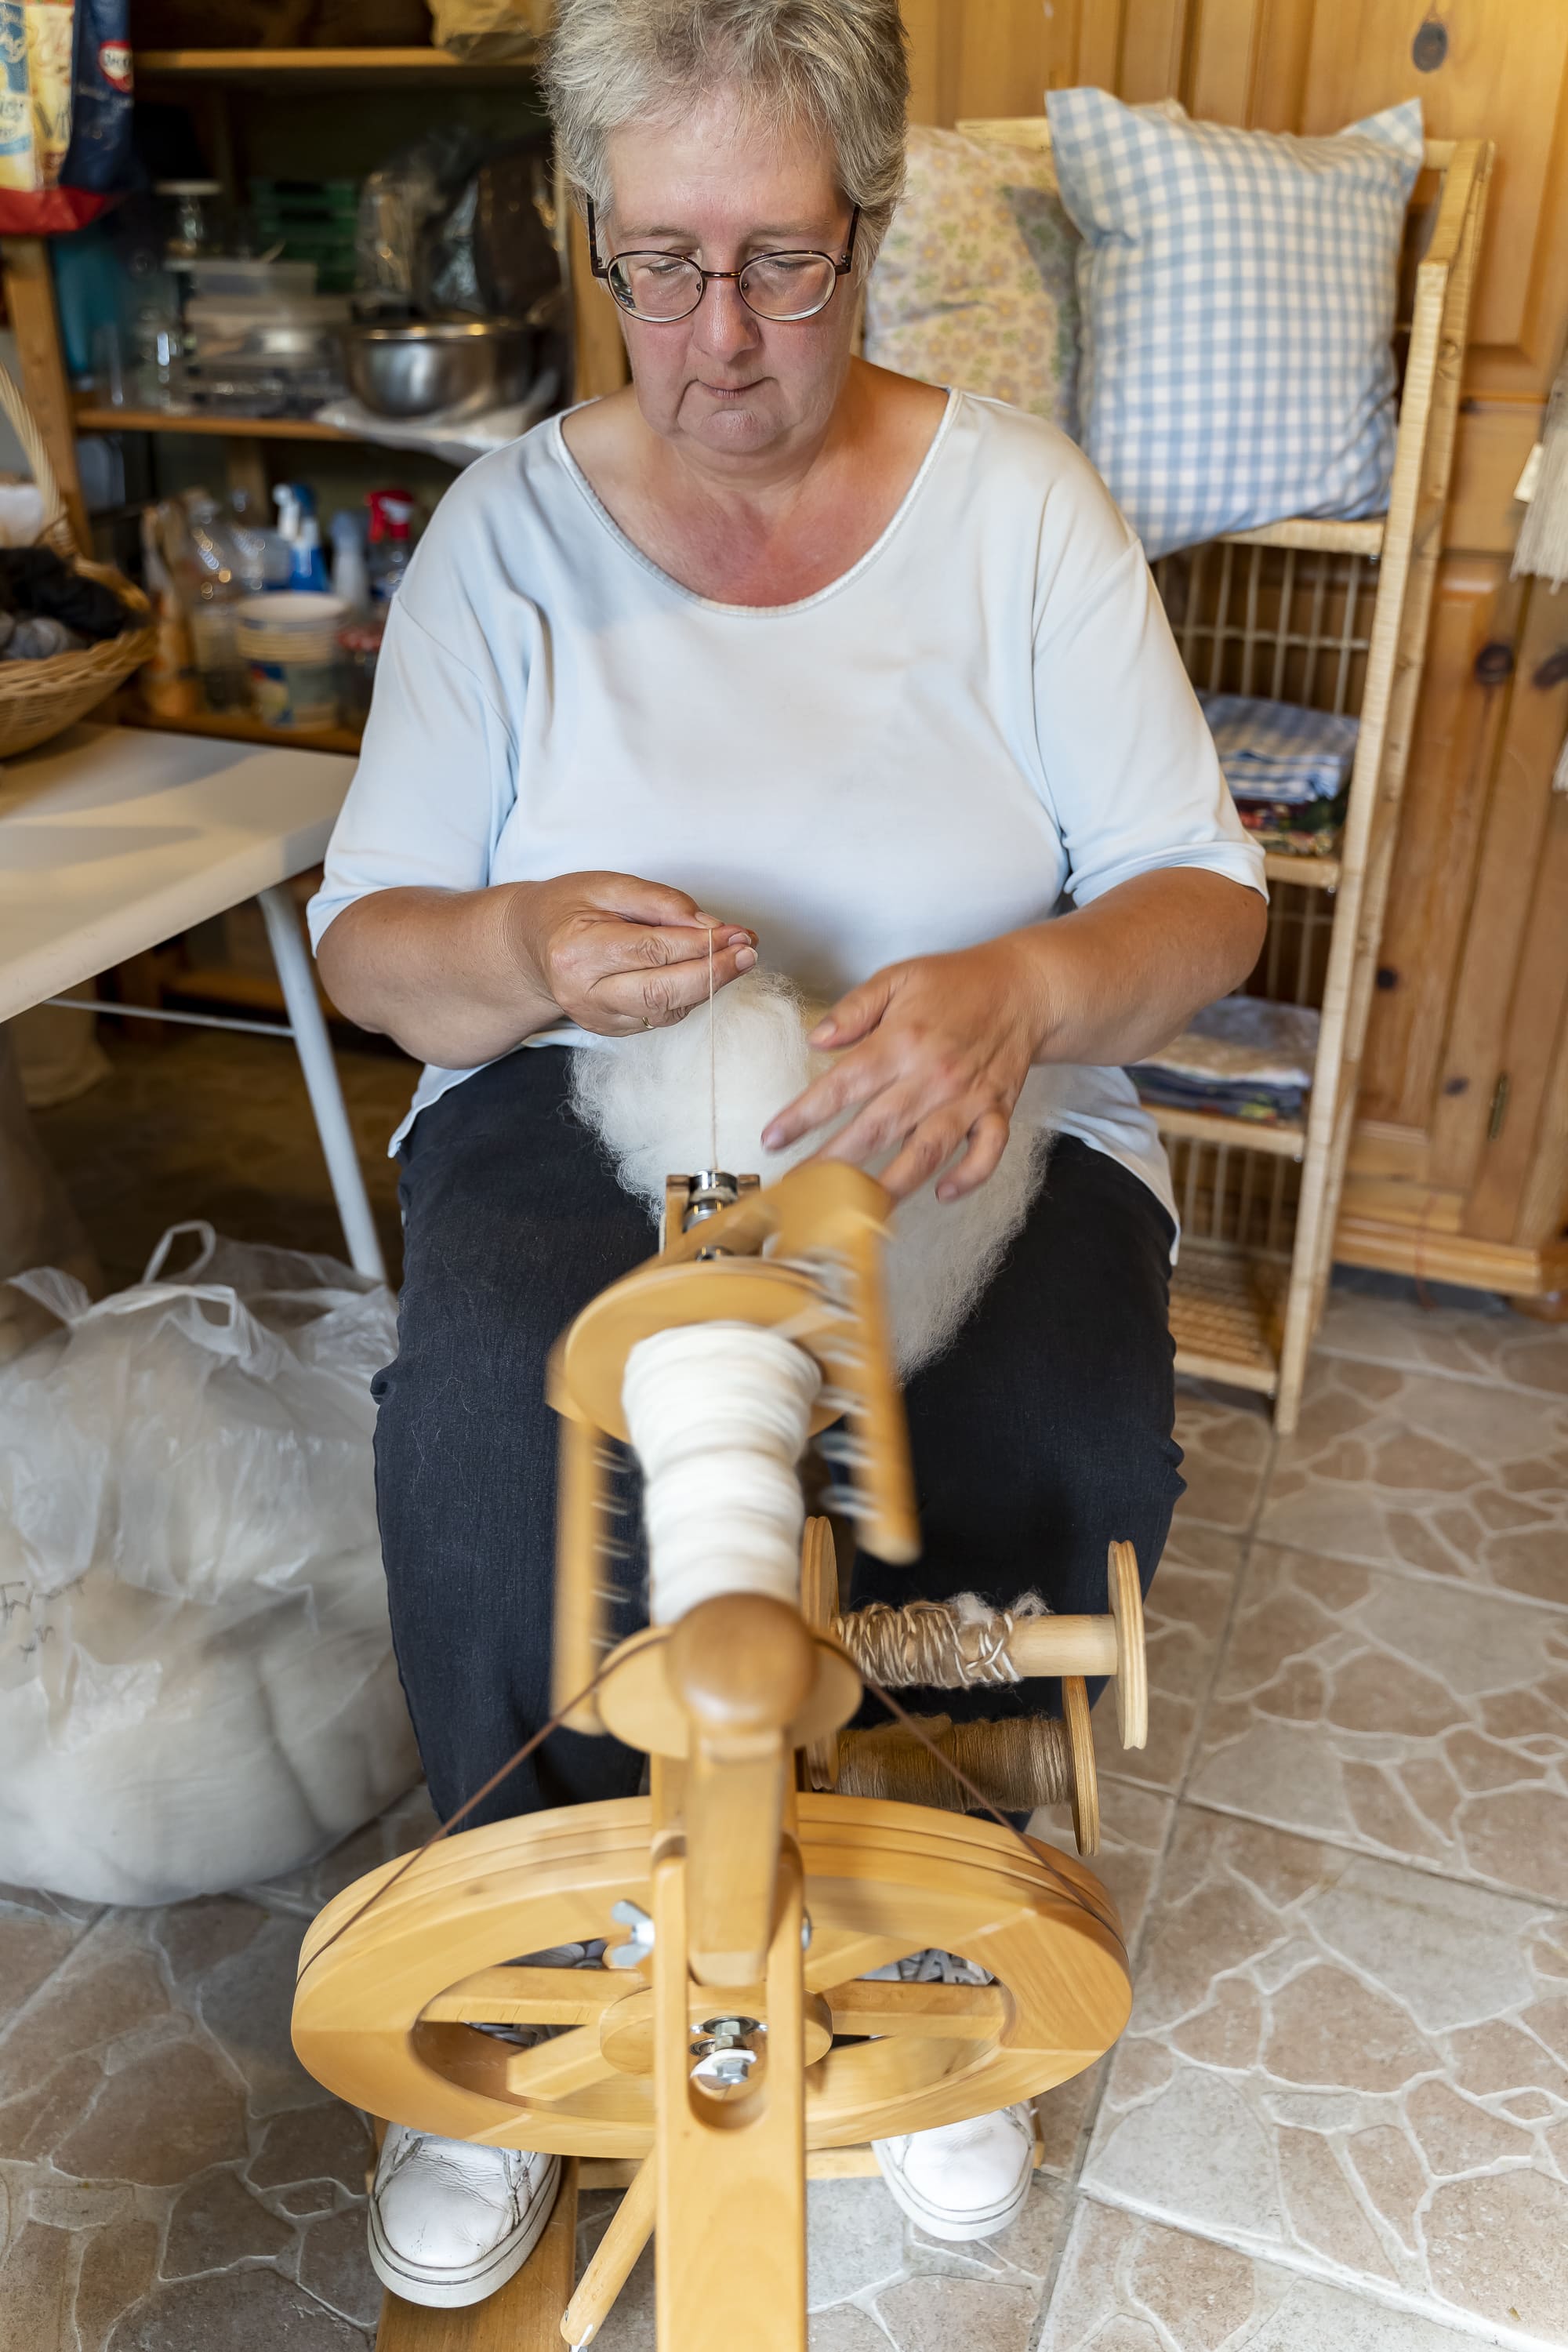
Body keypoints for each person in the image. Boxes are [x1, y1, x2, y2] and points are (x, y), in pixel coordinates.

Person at [309, 0, 1268, 2307]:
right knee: (494, 1423)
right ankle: (539, 1967)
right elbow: (376, 954)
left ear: (875, 221)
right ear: (590, 236)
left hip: (978, 1083)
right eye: (661, 260)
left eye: (782, 261)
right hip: (584, 1096)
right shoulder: (506, 543)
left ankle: (924, 1950)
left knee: (1038, 1417)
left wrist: (1027, 994)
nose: (720, 336)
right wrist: (527, 939)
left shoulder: (1018, 509)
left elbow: (1201, 893)